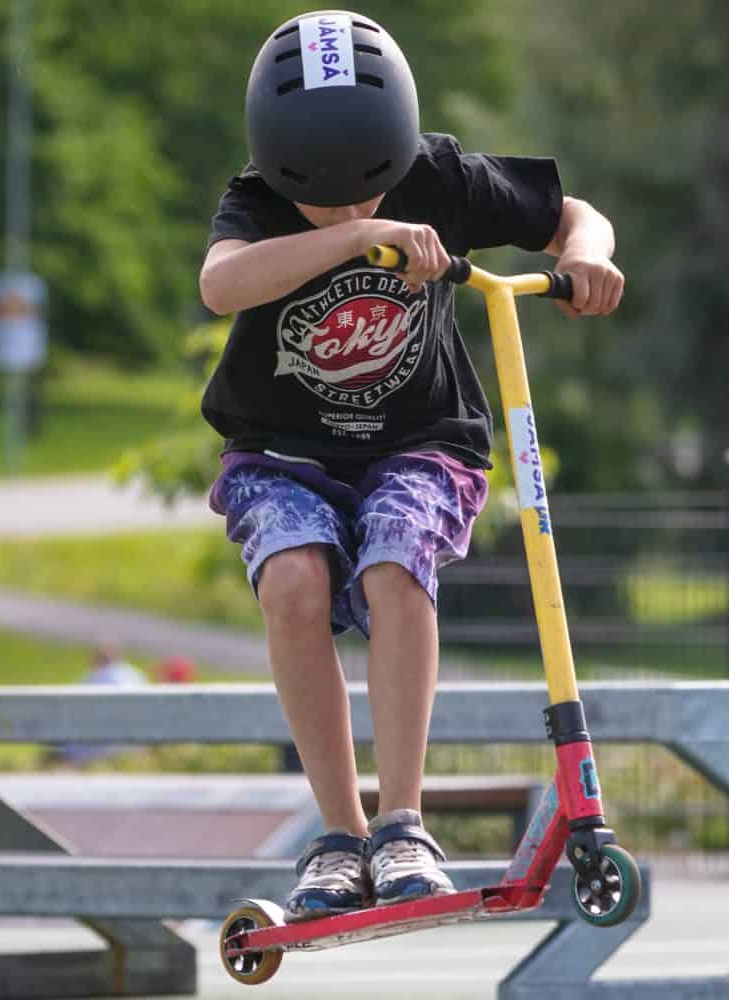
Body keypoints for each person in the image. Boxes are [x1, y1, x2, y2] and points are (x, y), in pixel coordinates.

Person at [198, 10, 624, 919]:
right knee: (293, 583)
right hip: (281, 451)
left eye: (370, 194)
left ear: (397, 154)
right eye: (328, 200)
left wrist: (586, 256)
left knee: (396, 560)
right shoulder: (257, 203)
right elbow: (220, 284)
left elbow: (572, 216)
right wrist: (355, 240)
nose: (354, 210)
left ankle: (401, 825)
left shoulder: (440, 175)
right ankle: (340, 837)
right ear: (277, 166)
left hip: (419, 440)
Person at [46, 645, 148, 768]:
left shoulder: (95, 678)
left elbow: (71, 709)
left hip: (103, 745)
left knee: (59, 751)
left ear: (98, 658)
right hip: (136, 744)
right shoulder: (135, 675)